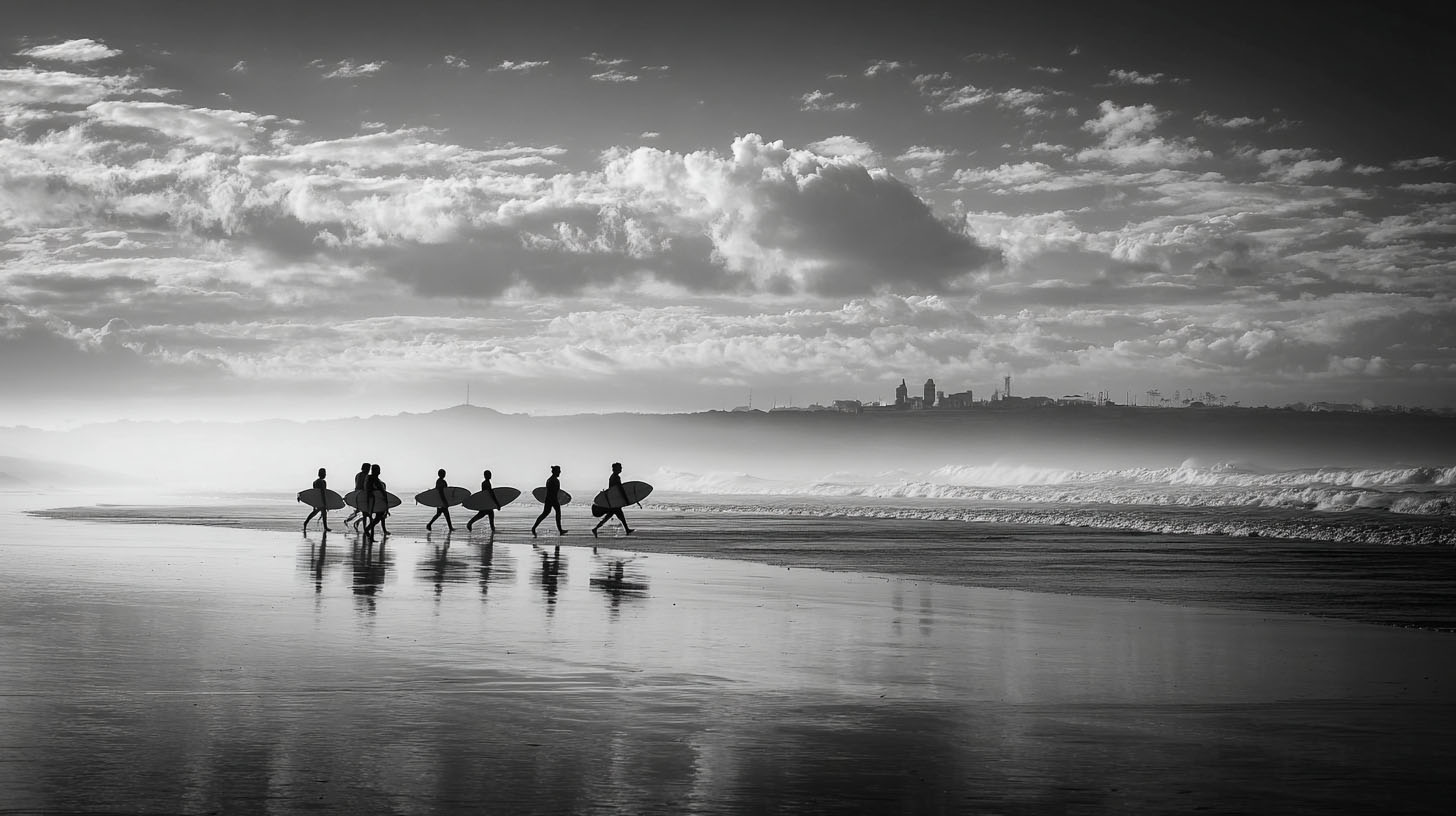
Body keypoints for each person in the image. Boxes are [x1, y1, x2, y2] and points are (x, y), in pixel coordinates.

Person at [592, 462, 634, 537]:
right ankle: (627, 530)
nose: (621, 469)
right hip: (614, 502)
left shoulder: (612, 477)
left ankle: (595, 529)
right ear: (615, 469)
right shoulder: (616, 477)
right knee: (619, 516)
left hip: (613, 501)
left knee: (609, 517)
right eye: (620, 467)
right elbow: (620, 489)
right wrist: (626, 499)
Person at [531, 465, 568, 537]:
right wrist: (556, 500)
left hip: (549, 499)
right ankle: (560, 530)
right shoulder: (554, 480)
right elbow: (555, 492)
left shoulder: (549, 479)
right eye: (559, 471)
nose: (560, 472)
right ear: (555, 472)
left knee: (545, 514)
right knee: (556, 513)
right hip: (552, 499)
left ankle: (534, 527)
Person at [466, 468, 499, 533]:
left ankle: (492, 528)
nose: (490, 476)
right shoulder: (486, 483)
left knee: (486, 514)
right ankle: (470, 523)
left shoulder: (485, 483)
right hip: (486, 503)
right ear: (485, 476)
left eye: (490, 474)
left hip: (486, 502)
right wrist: (497, 504)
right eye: (489, 474)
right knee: (483, 515)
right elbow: (490, 494)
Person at [364, 463, 391, 539]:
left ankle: (370, 533)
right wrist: (386, 502)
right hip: (376, 501)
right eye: (378, 470)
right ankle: (368, 532)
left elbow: (369, 489)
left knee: (377, 518)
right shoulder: (374, 479)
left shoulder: (370, 478)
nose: (379, 472)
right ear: (374, 471)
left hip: (375, 500)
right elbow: (380, 491)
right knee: (377, 518)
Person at [303, 467, 333, 532]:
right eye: (324, 473)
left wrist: (313, 504)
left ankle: (306, 522)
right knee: (322, 513)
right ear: (322, 474)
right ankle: (325, 527)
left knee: (317, 512)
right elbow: (323, 492)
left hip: (316, 500)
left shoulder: (315, 482)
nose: (325, 474)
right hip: (321, 500)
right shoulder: (323, 482)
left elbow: (314, 493)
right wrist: (325, 503)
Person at [426, 468, 455, 532]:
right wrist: (444, 502)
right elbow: (441, 492)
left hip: (440, 501)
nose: (444, 475)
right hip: (441, 501)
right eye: (443, 473)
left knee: (439, 514)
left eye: (444, 473)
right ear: (440, 474)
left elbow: (445, 491)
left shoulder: (440, 481)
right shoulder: (440, 481)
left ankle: (429, 524)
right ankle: (450, 528)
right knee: (445, 514)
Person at [343, 462, 370, 529]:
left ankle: (348, 520)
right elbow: (365, 486)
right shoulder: (366, 476)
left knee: (359, 511)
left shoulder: (358, 475)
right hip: (363, 495)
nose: (368, 470)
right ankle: (363, 527)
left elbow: (357, 485)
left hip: (357, 495)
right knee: (366, 513)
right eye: (368, 469)